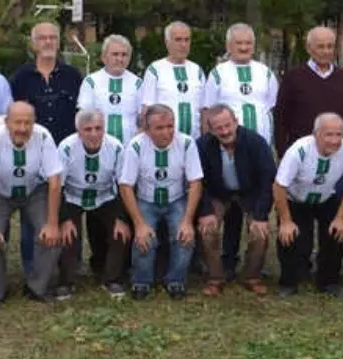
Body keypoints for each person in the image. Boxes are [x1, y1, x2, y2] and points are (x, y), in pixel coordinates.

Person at [10, 22, 83, 276]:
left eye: (53, 37)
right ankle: (34, 266)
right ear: (33, 43)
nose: (48, 42)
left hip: (68, 154)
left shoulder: (73, 76)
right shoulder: (20, 78)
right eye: (42, 38)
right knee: (34, 212)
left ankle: (73, 262)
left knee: (70, 206)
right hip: (33, 154)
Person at [0, 102, 65, 305]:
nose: (23, 129)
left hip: (34, 191)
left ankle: (36, 288)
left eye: (28, 123)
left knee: (51, 235)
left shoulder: (43, 136)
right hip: (0, 192)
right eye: (17, 123)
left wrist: (52, 223)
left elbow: (54, 180)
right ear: (7, 122)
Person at [118, 104, 204, 301]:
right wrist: (139, 224)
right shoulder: (136, 145)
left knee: (183, 236)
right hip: (146, 200)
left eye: (170, 126)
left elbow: (195, 182)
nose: (167, 132)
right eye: (160, 128)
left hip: (176, 199)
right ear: (147, 130)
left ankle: (176, 280)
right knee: (144, 237)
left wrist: (188, 221)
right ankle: (141, 281)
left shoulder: (187, 143)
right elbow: (126, 186)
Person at [273, 113, 343, 296]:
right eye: (329, 135)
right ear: (316, 134)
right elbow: (279, 186)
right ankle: (288, 282)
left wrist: (341, 217)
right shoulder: (299, 151)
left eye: (339, 135)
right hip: (296, 199)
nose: (335, 140)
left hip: (326, 197)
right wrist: (285, 221)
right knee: (292, 237)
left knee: (335, 233)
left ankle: (329, 281)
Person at [195, 105, 276, 296]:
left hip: (250, 194)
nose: (224, 131)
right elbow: (198, 181)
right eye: (218, 128)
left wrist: (260, 215)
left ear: (236, 122)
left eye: (227, 125)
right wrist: (206, 212)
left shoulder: (256, 142)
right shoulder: (202, 146)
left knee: (260, 232)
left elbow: (268, 180)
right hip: (218, 194)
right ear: (210, 129)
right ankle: (215, 278)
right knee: (207, 230)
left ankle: (251, 276)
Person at [56, 109, 131, 299]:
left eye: (98, 128)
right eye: (87, 129)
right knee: (69, 235)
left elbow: (123, 184)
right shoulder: (66, 148)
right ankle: (66, 281)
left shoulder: (115, 147)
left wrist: (122, 218)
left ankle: (112, 278)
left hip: (104, 195)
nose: (94, 134)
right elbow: (58, 187)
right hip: (73, 196)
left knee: (120, 231)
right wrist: (64, 219)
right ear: (78, 130)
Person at [273, 26, 343, 158]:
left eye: (330, 46)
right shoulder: (293, 78)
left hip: (336, 152)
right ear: (309, 48)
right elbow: (281, 118)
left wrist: (336, 136)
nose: (326, 51)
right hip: (301, 153)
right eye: (321, 47)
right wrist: (283, 152)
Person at [203, 22, 279, 146]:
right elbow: (208, 111)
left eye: (248, 43)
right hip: (228, 145)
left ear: (254, 46)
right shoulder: (218, 73)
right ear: (228, 46)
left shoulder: (265, 72)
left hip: (262, 144)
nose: (244, 48)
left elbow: (273, 107)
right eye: (238, 43)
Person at [139, 21, 207, 138]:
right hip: (163, 142)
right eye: (178, 40)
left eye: (187, 40)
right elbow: (147, 110)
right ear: (167, 42)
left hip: (194, 143)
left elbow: (204, 112)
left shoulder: (197, 71)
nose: (183, 44)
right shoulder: (155, 70)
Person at [78, 34, 143, 143]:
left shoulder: (137, 83)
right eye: (115, 54)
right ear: (104, 57)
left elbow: (144, 118)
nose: (120, 59)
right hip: (99, 147)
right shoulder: (91, 82)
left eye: (124, 55)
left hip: (129, 149)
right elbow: (84, 117)